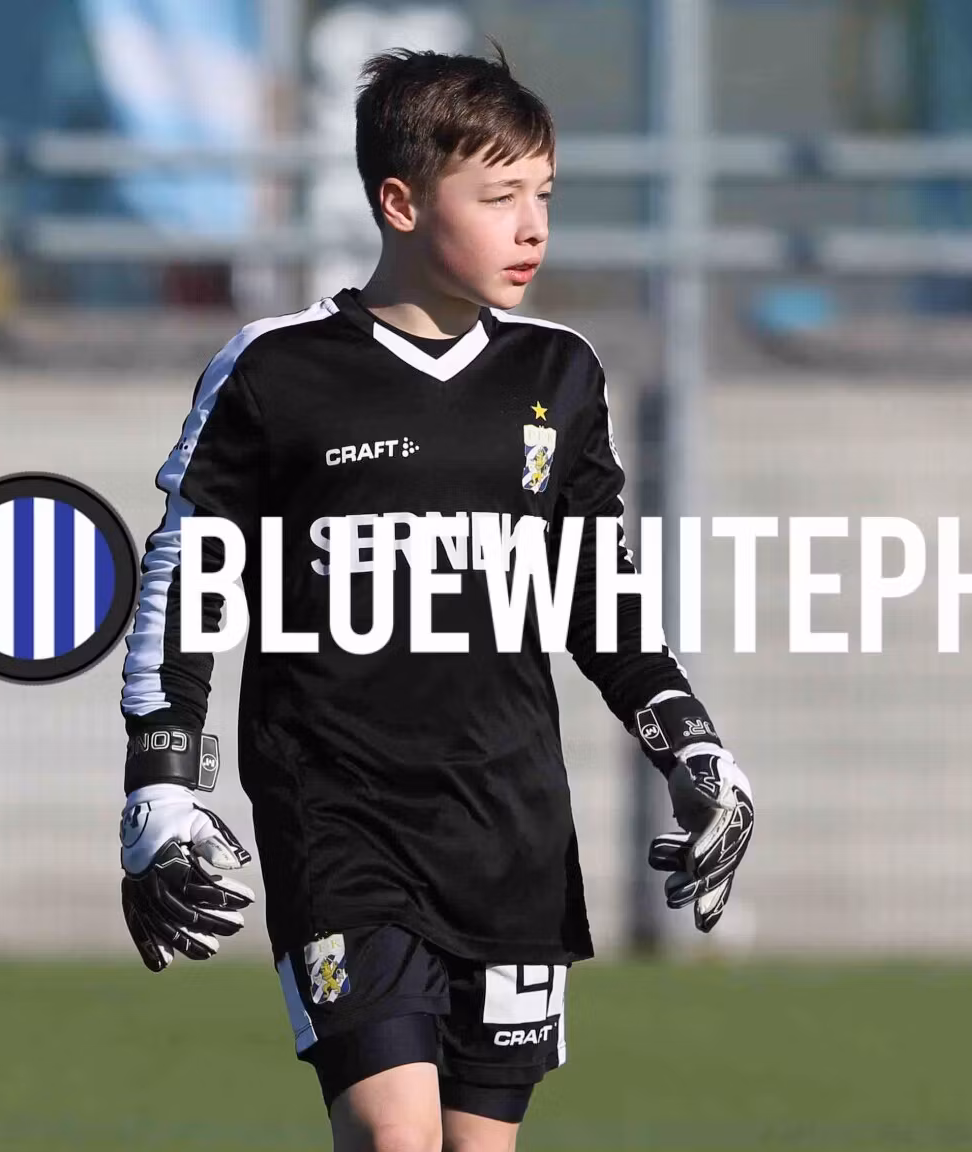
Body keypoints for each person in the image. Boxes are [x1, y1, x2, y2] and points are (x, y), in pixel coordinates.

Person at [112, 45, 754, 1152]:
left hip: (508, 831)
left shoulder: (559, 375)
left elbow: (597, 598)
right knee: (394, 1137)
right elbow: (186, 581)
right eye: (498, 198)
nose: (531, 228)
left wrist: (692, 746)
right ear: (400, 202)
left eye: (544, 194)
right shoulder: (276, 369)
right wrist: (158, 789)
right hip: (339, 819)